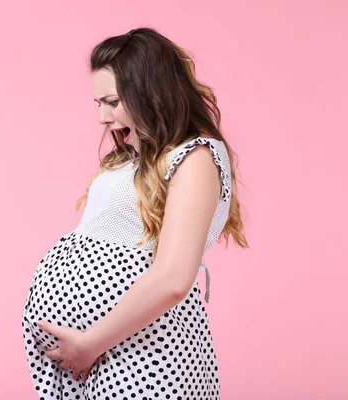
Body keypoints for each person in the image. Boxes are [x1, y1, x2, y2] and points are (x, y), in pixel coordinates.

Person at [21, 27, 248, 400]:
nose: (102, 118)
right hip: (110, 353)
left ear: (148, 92)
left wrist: (90, 343)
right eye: (98, 104)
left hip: (147, 353)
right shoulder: (134, 158)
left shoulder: (195, 157)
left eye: (111, 101)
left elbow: (174, 277)